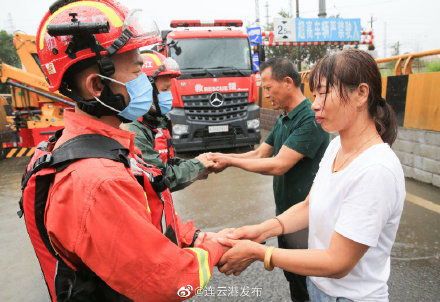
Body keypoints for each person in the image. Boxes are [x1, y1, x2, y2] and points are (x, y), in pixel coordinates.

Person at [20, 1, 228, 301]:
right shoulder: (99, 181)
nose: (145, 81)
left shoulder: (106, 148)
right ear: (97, 85)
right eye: (136, 71)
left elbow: (154, 219)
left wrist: (198, 238)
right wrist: (218, 249)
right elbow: (168, 281)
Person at [216, 49, 405, 302]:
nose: (315, 103)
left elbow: (337, 262)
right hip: (319, 289)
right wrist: (260, 231)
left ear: (361, 93)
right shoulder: (337, 146)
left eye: (324, 93)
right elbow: (309, 205)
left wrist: (261, 253)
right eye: (315, 94)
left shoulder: (376, 169)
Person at [209, 57, 329, 301]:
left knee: (307, 282)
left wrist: (230, 161)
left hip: (305, 219)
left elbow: (278, 165)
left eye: (267, 87)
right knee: (293, 277)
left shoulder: (309, 120)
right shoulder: (285, 117)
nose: (266, 94)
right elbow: (259, 153)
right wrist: (222, 157)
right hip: (285, 215)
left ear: (287, 82)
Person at [128, 51, 211, 191]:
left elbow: (166, 163)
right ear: (144, 90)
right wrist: (197, 166)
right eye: (164, 90)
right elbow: (160, 177)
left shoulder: (156, 122)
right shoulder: (133, 130)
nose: (169, 95)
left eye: (169, 90)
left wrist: (196, 167)